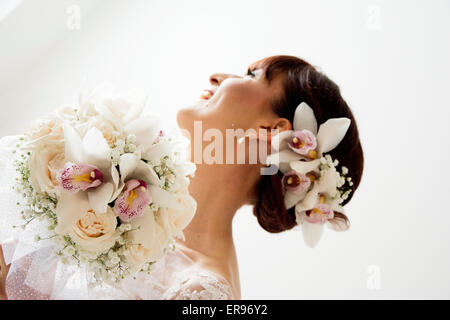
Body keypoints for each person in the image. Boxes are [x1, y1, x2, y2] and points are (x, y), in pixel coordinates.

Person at [0, 55, 364, 299]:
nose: (218, 76)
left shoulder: (203, 291)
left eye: (253, 75)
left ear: (271, 130)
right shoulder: (118, 207)